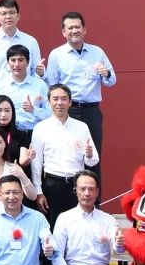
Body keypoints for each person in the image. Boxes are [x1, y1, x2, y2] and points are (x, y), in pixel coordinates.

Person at [44, 12, 116, 163]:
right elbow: (52, 85)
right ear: (63, 32)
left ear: (84, 30)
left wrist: (106, 73)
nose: (74, 31)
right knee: (70, 155)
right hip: (68, 111)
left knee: (93, 155)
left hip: (92, 111)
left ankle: (93, 180)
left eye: (77, 27)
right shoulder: (57, 55)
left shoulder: (97, 52)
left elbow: (112, 80)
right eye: (70, 28)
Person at [31, 86, 99, 225]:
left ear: (70, 102)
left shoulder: (81, 127)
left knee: (78, 225)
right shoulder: (40, 128)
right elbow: (36, 163)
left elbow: (92, 161)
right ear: (49, 102)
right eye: (55, 99)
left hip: (76, 185)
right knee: (54, 226)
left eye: (63, 99)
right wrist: (38, 191)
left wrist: (89, 155)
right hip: (52, 185)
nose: (59, 103)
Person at [0, 0, 44, 118]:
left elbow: (36, 71)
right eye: (3, 13)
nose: (8, 16)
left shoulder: (30, 41)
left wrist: (40, 73)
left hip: (26, 99)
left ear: (18, 16)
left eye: (12, 13)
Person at [0, 45, 50, 147]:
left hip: (34, 134)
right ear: (8, 62)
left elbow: (50, 114)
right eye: (13, 60)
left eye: (21, 60)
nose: (16, 64)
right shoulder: (1, 86)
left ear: (28, 62)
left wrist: (34, 110)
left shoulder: (40, 85)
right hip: (9, 135)